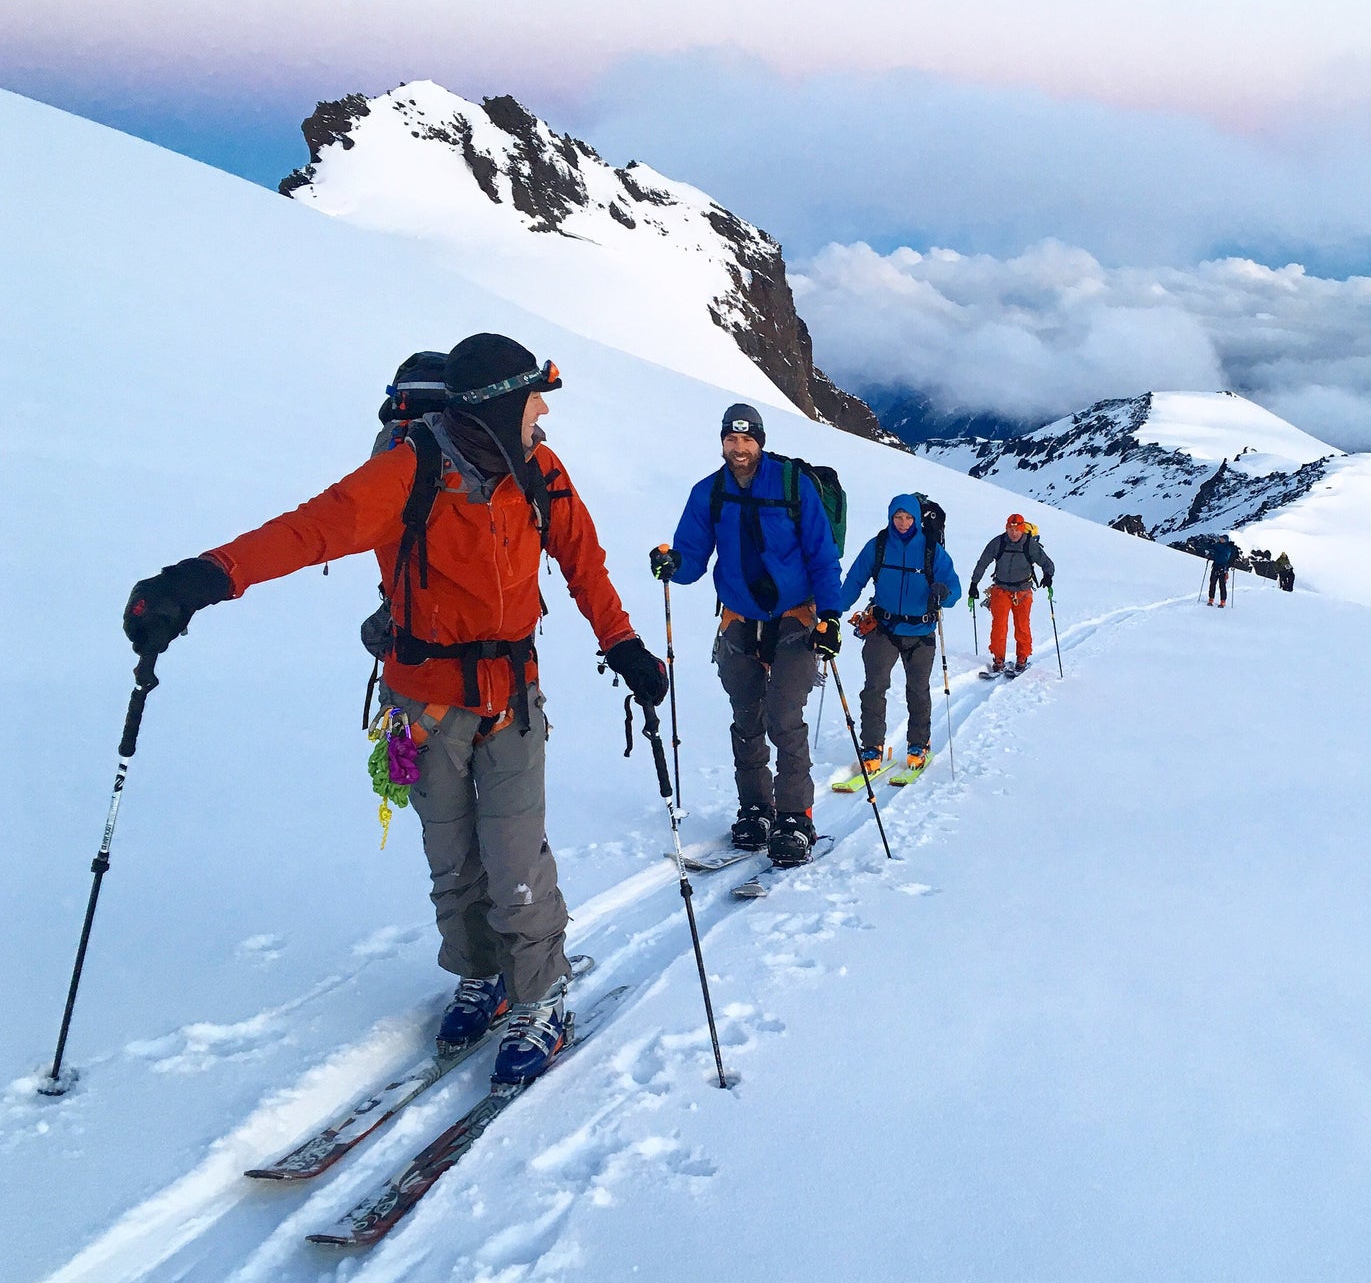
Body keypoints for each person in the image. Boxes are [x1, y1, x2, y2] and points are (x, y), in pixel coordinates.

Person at [122, 333, 668, 1082]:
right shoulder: (409, 471)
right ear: (500, 405)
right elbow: (309, 530)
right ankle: (482, 974)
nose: (545, 410)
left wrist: (623, 643)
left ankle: (540, 995)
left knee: (514, 861)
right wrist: (202, 578)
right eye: (536, 396)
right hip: (421, 703)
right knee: (451, 859)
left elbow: (582, 560)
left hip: (511, 699)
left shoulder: (539, 468)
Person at [650, 404, 843, 866]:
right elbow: (694, 557)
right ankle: (756, 809)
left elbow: (822, 556)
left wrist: (831, 616)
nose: (739, 449)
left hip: (795, 618)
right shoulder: (709, 493)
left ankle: (795, 816)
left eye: (747, 440)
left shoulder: (793, 485)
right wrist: (674, 564)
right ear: (722, 442)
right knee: (746, 718)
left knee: (784, 717)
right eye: (731, 441)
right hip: (739, 620)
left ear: (760, 440)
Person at [840, 494, 960, 775]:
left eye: (908, 517)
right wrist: (833, 610)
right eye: (898, 517)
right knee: (874, 688)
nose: (903, 523)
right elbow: (854, 580)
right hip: (884, 629)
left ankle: (918, 743)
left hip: (921, 631)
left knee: (917, 691)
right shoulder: (878, 546)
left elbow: (954, 588)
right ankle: (872, 745)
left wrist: (945, 592)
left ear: (917, 519)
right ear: (890, 517)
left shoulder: (932, 551)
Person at [969, 512, 1055, 675]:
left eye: (1017, 529)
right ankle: (998, 660)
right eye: (1010, 529)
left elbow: (1046, 562)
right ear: (1006, 528)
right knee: (999, 627)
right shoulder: (998, 542)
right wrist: (974, 583)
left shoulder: (1030, 544)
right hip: (1001, 590)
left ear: (1022, 529)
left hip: (1023, 591)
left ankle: (1022, 659)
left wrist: (1048, 576)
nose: (1014, 533)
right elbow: (983, 562)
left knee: (1022, 626)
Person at [1207, 534, 1235, 606]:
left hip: (1222, 568)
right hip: (1217, 567)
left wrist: (1212, 550)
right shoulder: (1226, 547)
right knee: (1213, 584)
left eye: (1223, 539)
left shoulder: (1226, 548)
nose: (1221, 540)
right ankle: (1211, 599)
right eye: (1220, 538)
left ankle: (1222, 601)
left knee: (1221, 585)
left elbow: (1221, 553)